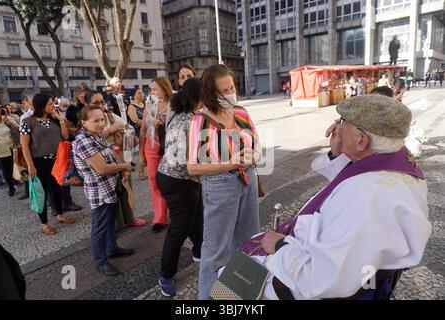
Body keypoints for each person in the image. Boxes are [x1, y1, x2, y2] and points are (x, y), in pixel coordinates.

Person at [237, 95, 431, 300]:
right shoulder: (395, 162)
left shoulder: (365, 197)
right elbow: (348, 181)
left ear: (361, 139)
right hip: (352, 268)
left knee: (232, 280)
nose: (336, 128)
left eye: (343, 123)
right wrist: (340, 152)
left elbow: (323, 278)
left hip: (317, 285)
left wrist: (280, 246)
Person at [187, 64, 261, 300]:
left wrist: (255, 155)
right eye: (224, 90)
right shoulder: (201, 121)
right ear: (211, 94)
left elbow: (257, 142)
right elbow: (192, 167)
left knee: (249, 240)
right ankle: (207, 299)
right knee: (216, 249)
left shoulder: (241, 112)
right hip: (219, 184)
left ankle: (240, 293)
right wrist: (229, 163)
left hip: (248, 179)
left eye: (232, 87)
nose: (231, 93)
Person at [72, 105, 135, 276]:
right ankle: (100, 260)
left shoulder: (96, 136)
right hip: (99, 191)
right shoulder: (83, 141)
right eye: (95, 120)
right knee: (99, 226)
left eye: (102, 119)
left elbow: (110, 155)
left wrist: (122, 167)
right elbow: (102, 168)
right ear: (84, 123)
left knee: (110, 221)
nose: (101, 123)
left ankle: (112, 249)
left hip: (110, 187)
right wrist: (125, 165)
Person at [155, 78, 204, 297]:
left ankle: (200, 251)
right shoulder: (193, 121)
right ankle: (165, 275)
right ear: (200, 97)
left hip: (168, 174)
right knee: (179, 228)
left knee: (195, 218)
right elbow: (189, 162)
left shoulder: (176, 111)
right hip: (178, 180)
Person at [86, 90, 144, 229]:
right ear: (88, 104)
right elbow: (92, 139)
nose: (100, 105)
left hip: (119, 157)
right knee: (111, 194)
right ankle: (115, 224)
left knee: (125, 188)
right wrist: (110, 130)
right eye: (96, 103)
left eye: (102, 102)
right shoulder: (86, 120)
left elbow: (128, 127)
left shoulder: (110, 116)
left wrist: (128, 134)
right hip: (101, 162)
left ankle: (129, 218)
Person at [19, 93, 75, 235]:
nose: (53, 106)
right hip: (39, 161)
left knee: (57, 188)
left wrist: (61, 120)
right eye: (50, 103)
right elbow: (24, 145)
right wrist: (31, 166)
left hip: (57, 160)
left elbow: (65, 136)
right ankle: (44, 223)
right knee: (41, 192)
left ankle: (60, 215)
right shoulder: (28, 121)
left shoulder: (54, 119)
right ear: (42, 105)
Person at [139, 77, 173, 233]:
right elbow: (143, 131)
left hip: (169, 148)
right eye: (150, 89)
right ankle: (159, 217)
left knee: (171, 179)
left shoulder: (173, 105)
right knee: (154, 180)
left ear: (165, 89)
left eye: (155, 89)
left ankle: (174, 210)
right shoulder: (149, 106)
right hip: (151, 146)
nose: (152, 92)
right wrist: (141, 155)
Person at [0, 104, 19, 197]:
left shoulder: (7, 119)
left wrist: (9, 123)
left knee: (17, 166)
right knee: (5, 170)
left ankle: (22, 183)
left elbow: (19, 129)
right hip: (0, 149)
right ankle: (11, 187)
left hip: (13, 147)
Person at [127, 88, 146, 180]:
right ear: (134, 95)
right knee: (141, 151)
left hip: (147, 129)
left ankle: (144, 169)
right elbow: (135, 120)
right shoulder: (131, 106)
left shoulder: (145, 104)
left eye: (142, 92)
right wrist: (148, 123)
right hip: (138, 131)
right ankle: (140, 172)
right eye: (139, 93)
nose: (141, 94)